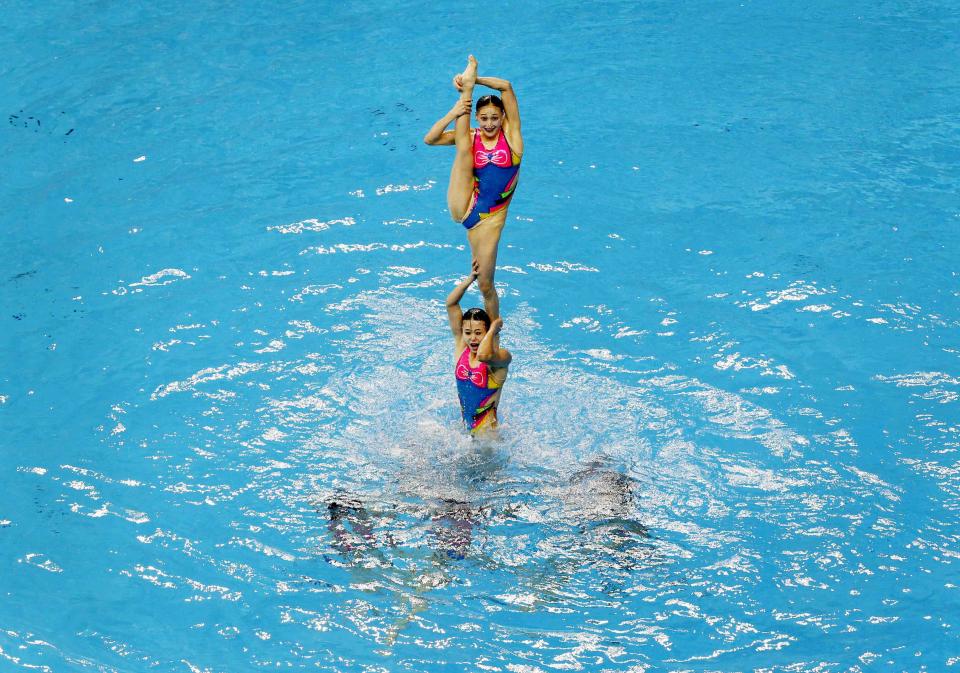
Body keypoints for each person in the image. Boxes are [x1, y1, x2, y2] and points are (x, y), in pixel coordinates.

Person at [424, 55, 523, 321]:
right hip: (465, 202)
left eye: (494, 117)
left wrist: (477, 80)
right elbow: (430, 139)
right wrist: (455, 113)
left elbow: (506, 87)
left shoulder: (512, 138)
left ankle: (494, 333)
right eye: (484, 118)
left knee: (485, 285)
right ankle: (464, 93)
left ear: (503, 117)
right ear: (477, 117)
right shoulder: (471, 134)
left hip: (488, 222)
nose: (489, 124)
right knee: (464, 148)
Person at [445, 261, 512, 433]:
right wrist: (470, 279)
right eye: (468, 333)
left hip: (488, 441)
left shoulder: (498, 358)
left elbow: (484, 355)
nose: (472, 338)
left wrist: (492, 332)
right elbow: (451, 304)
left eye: (478, 333)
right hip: (463, 432)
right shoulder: (462, 348)